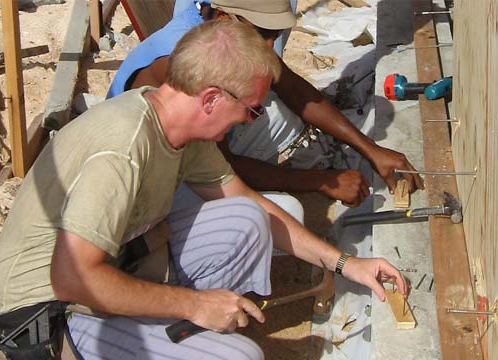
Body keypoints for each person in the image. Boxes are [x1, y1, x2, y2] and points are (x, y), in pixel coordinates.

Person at [0, 21, 406, 360]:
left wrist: (347, 264)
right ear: (210, 98)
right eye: (252, 110)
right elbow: (71, 278)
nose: (250, 119)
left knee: (248, 219)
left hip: (107, 265)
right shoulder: (124, 148)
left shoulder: (177, 127)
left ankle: (173, 339)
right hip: (48, 313)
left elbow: (252, 204)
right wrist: (192, 305)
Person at [108, 0, 424, 209]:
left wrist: (371, 150)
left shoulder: (220, 24)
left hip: (195, 143)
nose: (270, 45)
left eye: (275, 35)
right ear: (222, 16)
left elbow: (294, 89)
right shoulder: (181, 60)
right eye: (263, 34)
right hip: (146, 180)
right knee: (277, 216)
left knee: (280, 113)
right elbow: (220, 166)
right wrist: (322, 182)